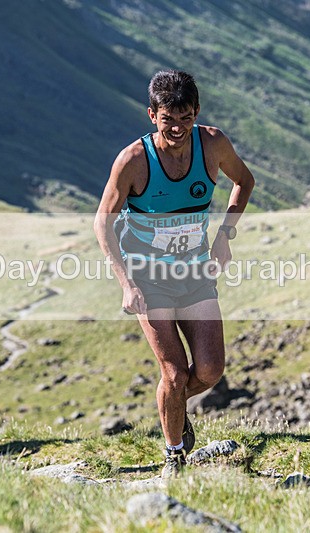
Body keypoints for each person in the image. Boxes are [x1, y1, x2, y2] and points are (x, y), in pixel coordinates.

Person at [94, 70, 255, 478]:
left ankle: (174, 406)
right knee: (173, 371)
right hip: (147, 277)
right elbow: (102, 223)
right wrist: (125, 283)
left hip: (195, 271)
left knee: (210, 370)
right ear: (152, 115)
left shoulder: (212, 143)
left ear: (196, 112)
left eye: (186, 118)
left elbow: (244, 181)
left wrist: (225, 235)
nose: (178, 128)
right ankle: (174, 454)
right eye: (169, 119)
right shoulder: (132, 160)